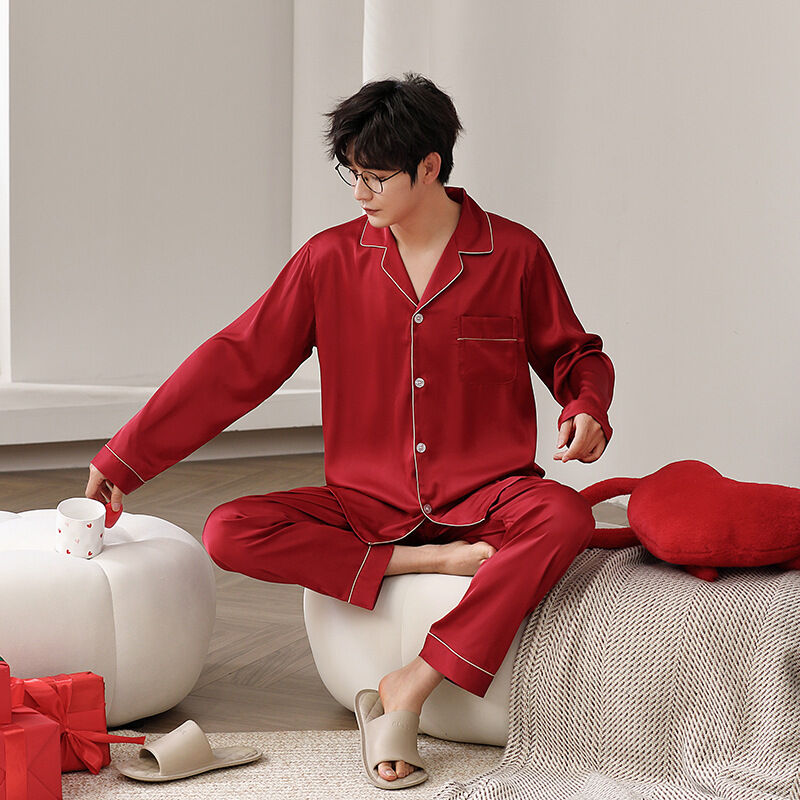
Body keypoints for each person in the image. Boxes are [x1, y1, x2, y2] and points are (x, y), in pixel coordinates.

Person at [85, 72, 614, 788]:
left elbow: (573, 353)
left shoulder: (513, 254)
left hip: (487, 493)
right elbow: (238, 361)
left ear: (430, 167)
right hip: (367, 504)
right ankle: (425, 563)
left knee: (564, 515)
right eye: (351, 174)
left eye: (375, 177)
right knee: (229, 529)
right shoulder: (328, 260)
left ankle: (412, 683)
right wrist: (127, 456)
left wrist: (585, 405)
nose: (359, 193)